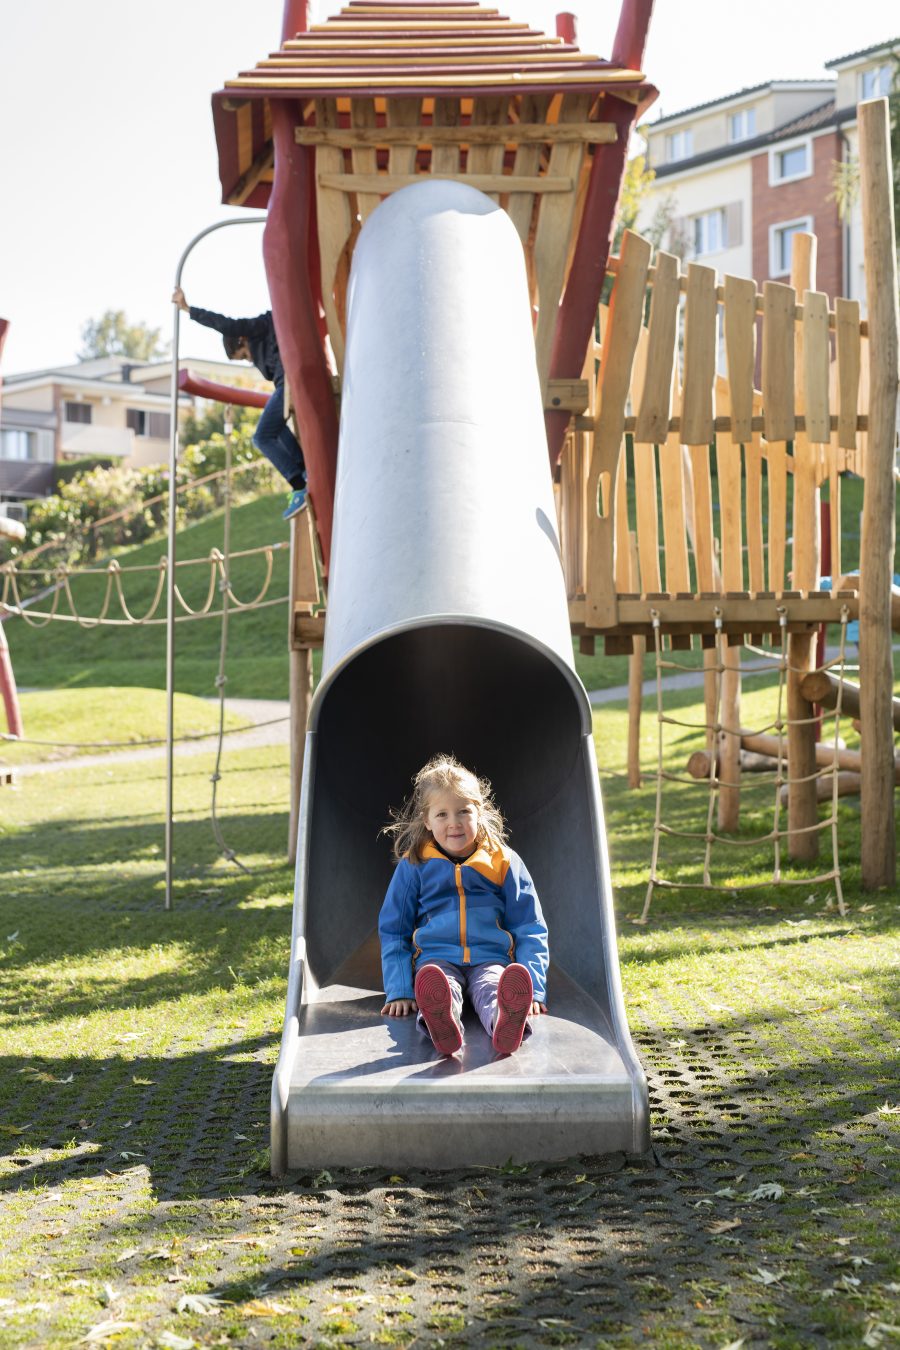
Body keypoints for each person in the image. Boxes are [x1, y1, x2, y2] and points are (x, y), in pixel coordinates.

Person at [379, 754, 549, 1057]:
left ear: (479, 812)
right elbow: (395, 929)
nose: (454, 823)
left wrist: (534, 987)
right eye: (442, 814)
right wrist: (400, 988)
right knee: (438, 987)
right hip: (436, 957)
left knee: (494, 988)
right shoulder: (415, 865)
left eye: (464, 811)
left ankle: (505, 1023)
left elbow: (528, 925)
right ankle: (442, 1023)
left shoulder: (503, 861)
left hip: (490, 957)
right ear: (427, 821)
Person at [172, 287, 307, 520]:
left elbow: (226, 324)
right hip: (285, 383)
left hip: (288, 381)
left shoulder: (257, 327)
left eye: (244, 355)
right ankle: (304, 471)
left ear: (242, 339)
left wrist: (188, 309)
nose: (250, 359)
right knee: (275, 428)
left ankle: (298, 485)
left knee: (261, 437)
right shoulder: (266, 341)